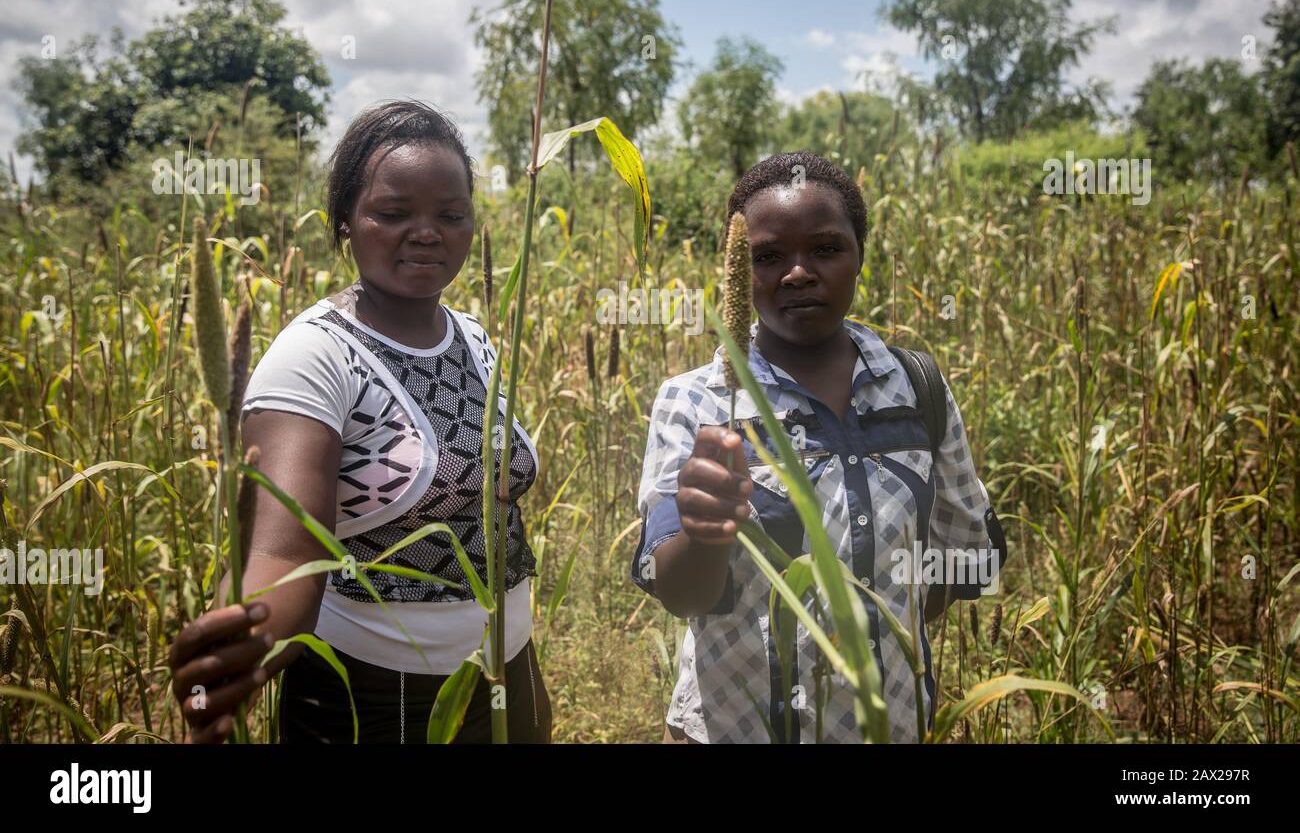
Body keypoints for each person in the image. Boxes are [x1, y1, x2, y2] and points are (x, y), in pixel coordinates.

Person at [168, 100, 551, 743]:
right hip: (376, 700)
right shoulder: (314, 355)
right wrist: (248, 638)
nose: (428, 233)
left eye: (451, 215)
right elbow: (284, 550)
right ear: (344, 221)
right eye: (394, 214)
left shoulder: (474, 338)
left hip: (506, 675)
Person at [630, 151, 1005, 743]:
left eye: (826, 249)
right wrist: (704, 532)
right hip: (738, 729)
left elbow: (958, 565)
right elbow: (680, 594)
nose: (798, 273)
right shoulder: (696, 403)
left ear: (860, 258)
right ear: (737, 273)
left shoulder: (917, 388)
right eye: (767, 257)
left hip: (891, 725)